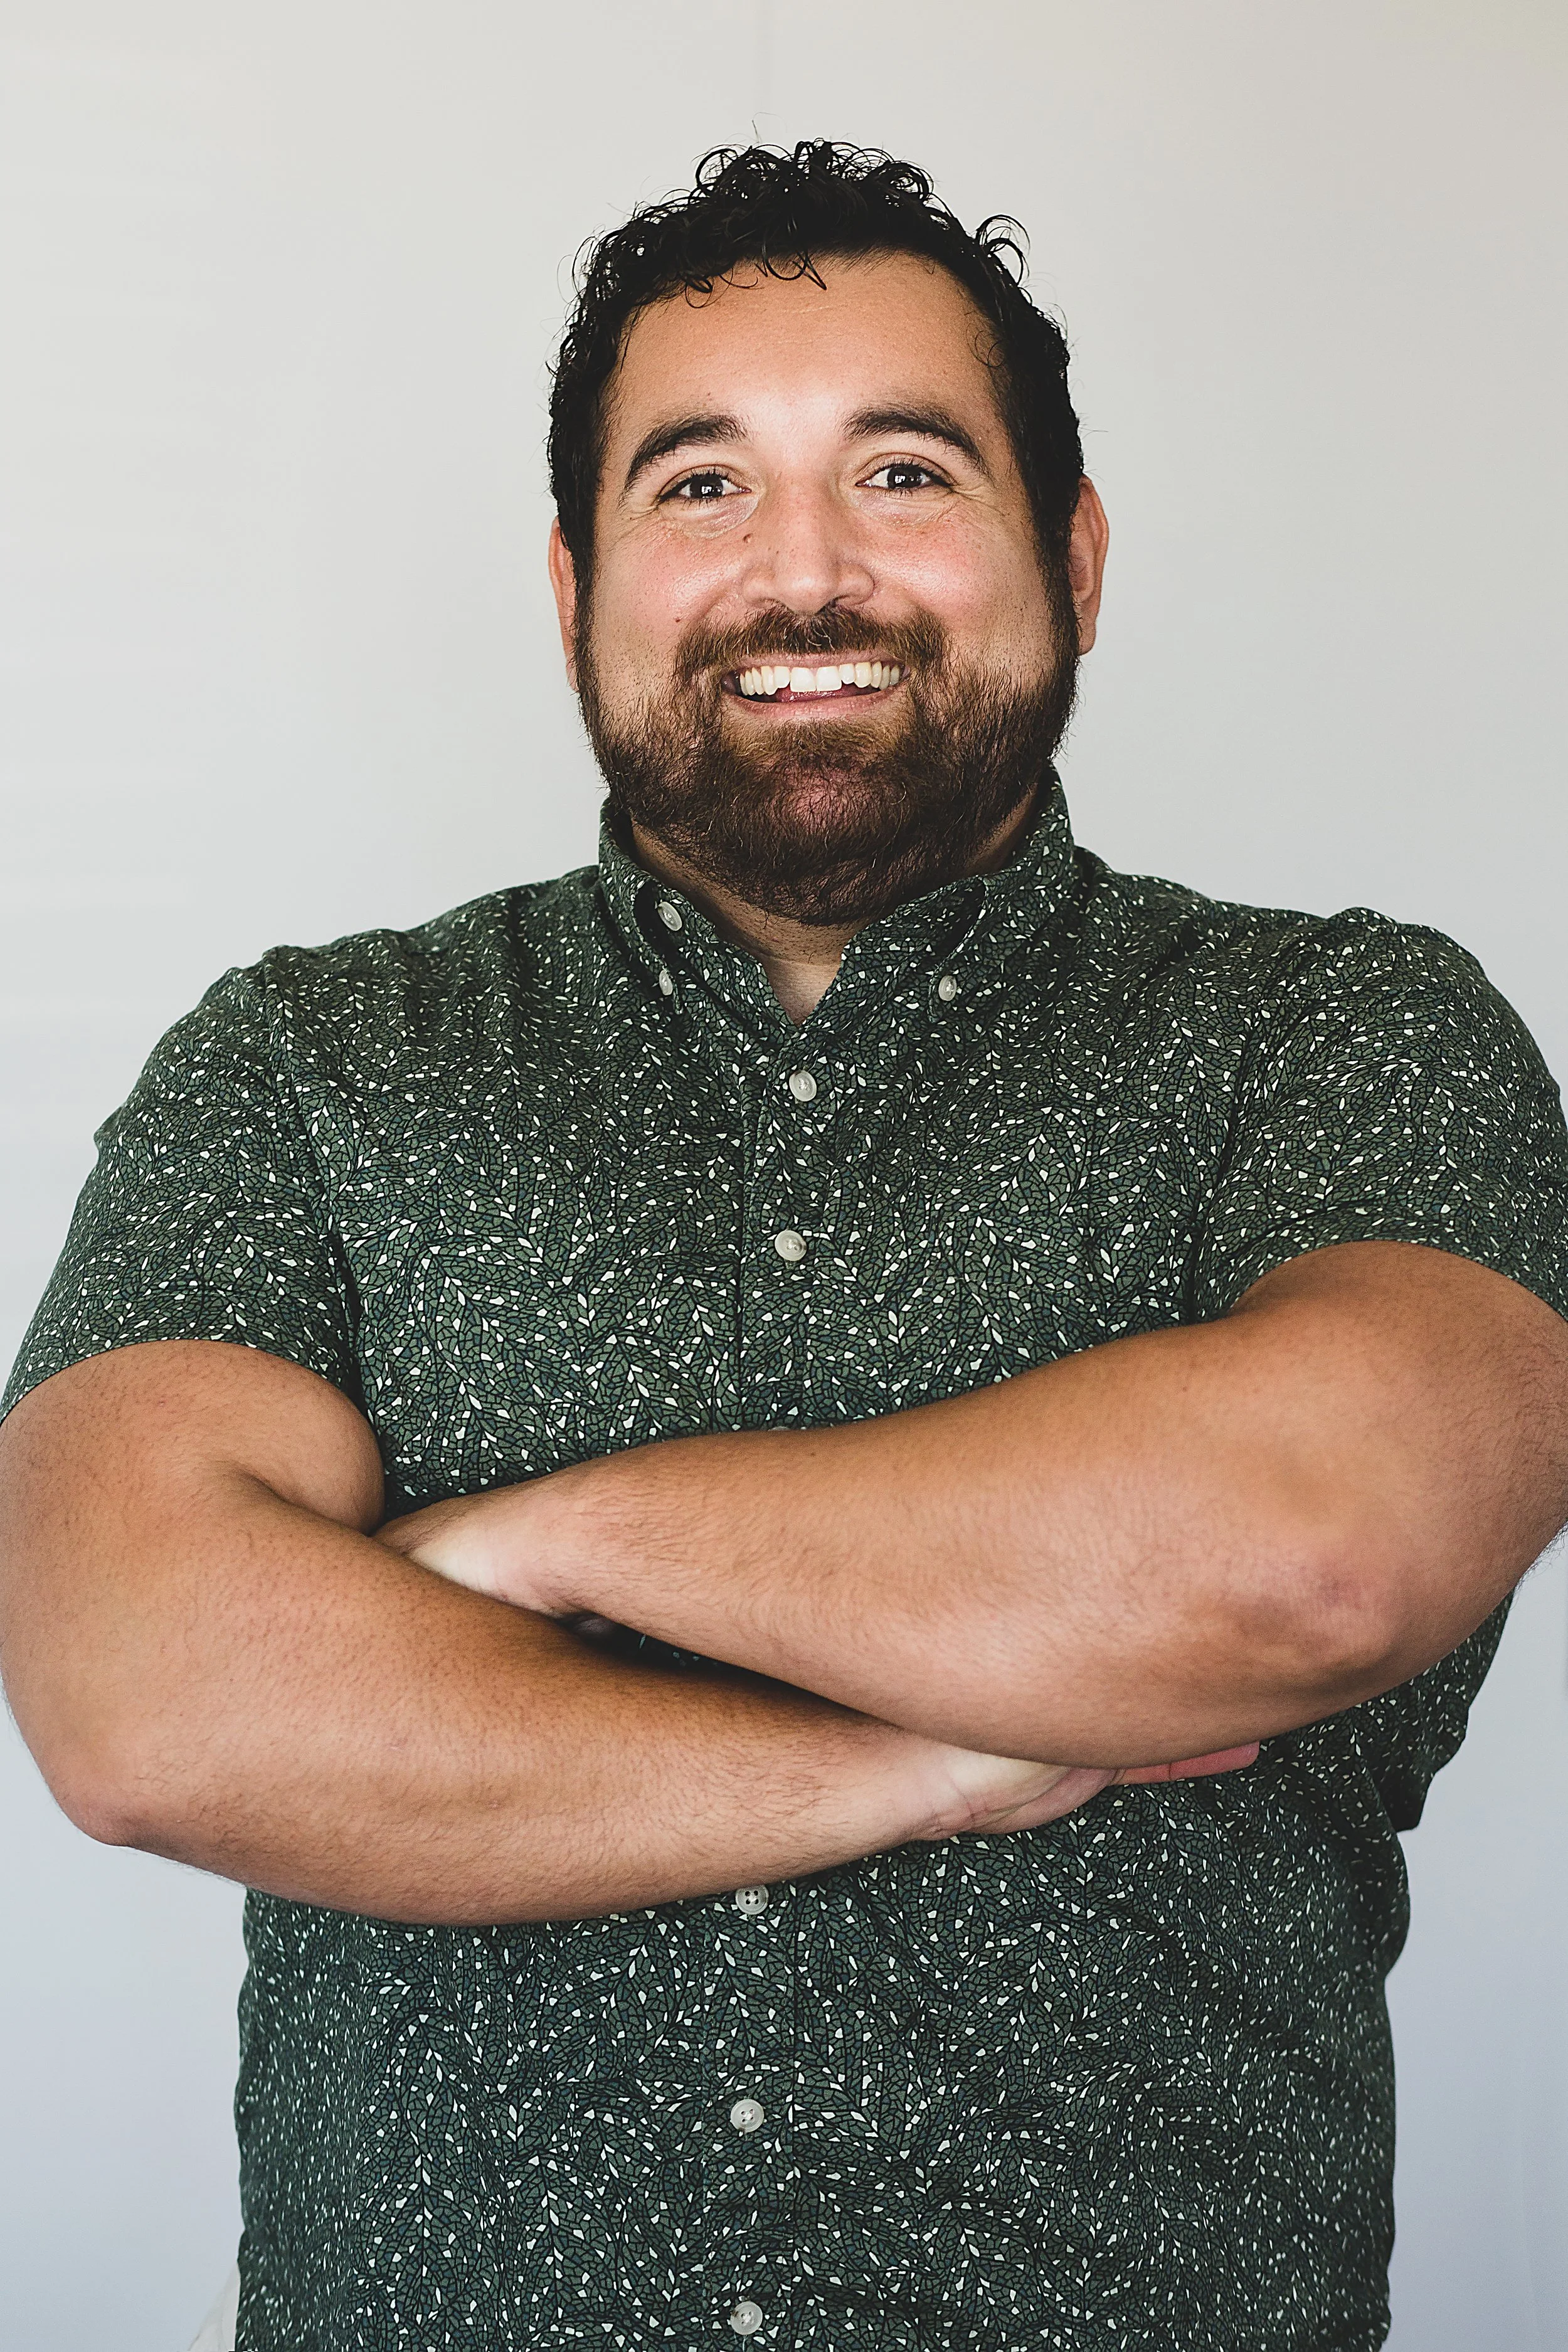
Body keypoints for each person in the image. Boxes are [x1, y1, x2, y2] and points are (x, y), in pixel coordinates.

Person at [2, 140, 1566, 2352]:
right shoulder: (304, 1066)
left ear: (1076, 557)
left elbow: (1309, 1551)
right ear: (574, 586)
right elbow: (144, 1696)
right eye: (700, 487)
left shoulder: (1341, 1035)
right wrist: (927, 1762)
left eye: (905, 471)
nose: (803, 573)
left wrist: (538, 1545)